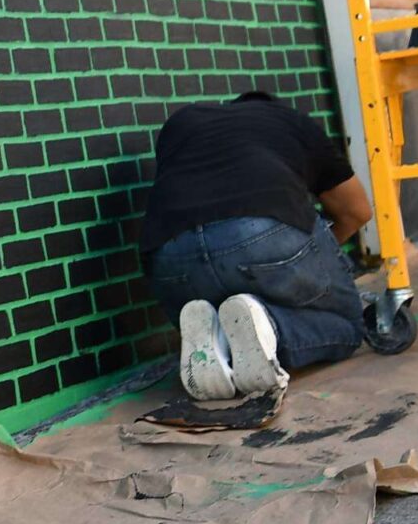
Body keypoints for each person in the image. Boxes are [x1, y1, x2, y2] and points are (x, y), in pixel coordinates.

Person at [141, 90, 376, 401]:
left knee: (233, 302)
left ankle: (219, 340)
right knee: (347, 325)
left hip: (170, 258)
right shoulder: (293, 122)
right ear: (273, 108)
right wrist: (306, 258)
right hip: (260, 234)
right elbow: (356, 211)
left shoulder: (183, 122)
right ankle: (270, 325)